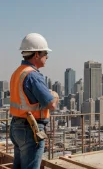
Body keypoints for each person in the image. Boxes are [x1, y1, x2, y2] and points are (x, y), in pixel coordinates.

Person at [9, 33, 59, 169]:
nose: (47, 57)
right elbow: (51, 104)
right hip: (30, 128)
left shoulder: (18, 72)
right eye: (45, 53)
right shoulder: (33, 75)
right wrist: (54, 95)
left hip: (16, 126)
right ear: (36, 54)